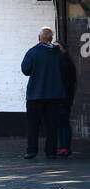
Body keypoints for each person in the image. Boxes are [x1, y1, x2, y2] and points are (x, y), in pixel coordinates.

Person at [21, 28, 67, 160]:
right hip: (54, 94)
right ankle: (51, 152)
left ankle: (31, 151)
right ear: (51, 39)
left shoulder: (32, 52)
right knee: (52, 124)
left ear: (39, 38)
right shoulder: (58, 53)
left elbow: (25, 70)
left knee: (33, 124)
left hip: (36, 94)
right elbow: (64, 69)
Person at [54, 40, 77, 157]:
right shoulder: (63, 61)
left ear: (63, 49)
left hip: (63, 98)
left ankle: (65, 147)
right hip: (63, 97)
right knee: (61, 123)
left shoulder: (64, 62)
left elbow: (67, 82)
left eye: (58, 46)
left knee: (62, 123)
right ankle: (63, 146)